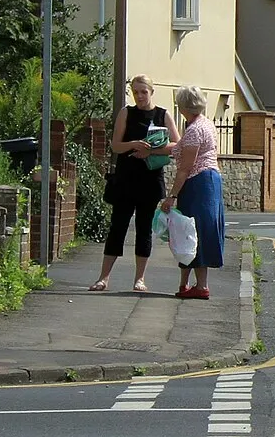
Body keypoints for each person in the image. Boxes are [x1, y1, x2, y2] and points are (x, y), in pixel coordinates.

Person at [91, 76, 170, 293]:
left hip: (151, 179)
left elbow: (176, 145)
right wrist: (133, 144)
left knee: (144, 229)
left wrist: (151, 150)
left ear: (151, 91)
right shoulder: (127, 113)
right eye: (135, 92)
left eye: (143, 92)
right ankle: (103, 278)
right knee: (118, 226)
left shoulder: (163, 115)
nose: (140, 96)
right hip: (126, 179)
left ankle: (140, 279)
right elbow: (115, 145)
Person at [161, 85, 225, 300]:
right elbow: (179, 148)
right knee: (188, 231)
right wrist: (154, 149)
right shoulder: (204, 124)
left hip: (198, 183)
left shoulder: (194, 131)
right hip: (209, 180)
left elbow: (185, 169)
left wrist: (171, 196)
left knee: (193, 232)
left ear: (182, 106)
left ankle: (201, 286)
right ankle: (185, 285)